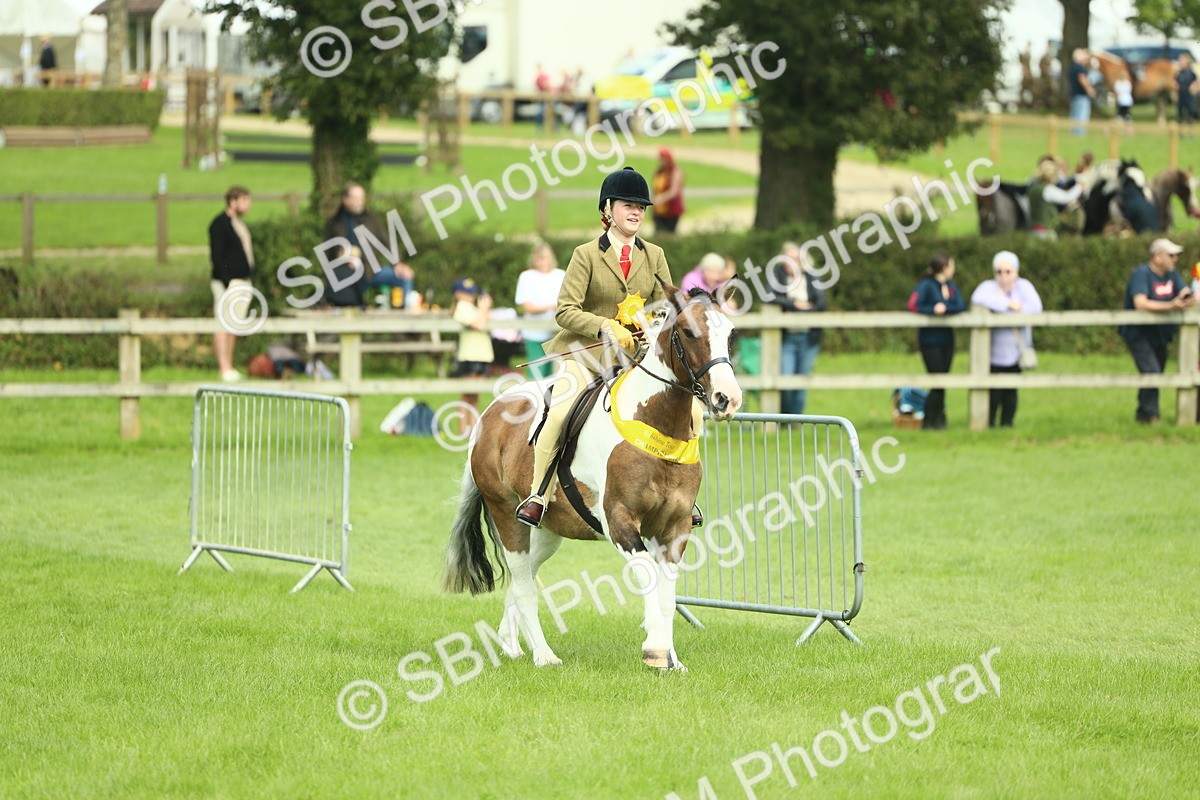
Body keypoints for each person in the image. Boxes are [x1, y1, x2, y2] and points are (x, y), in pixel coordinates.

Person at [515, 166, 675, 529]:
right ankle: (538, 494)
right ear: (608, 209)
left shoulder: (655, 255)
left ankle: (683, 495)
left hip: (637, 358)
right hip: (586, 355)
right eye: (627, 205)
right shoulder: (585, 254)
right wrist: (605, 324)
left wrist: (649, 324)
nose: (636, 212)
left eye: (641, 207)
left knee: (687, 411)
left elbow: (666, 305)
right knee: (558, 414)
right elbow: (565, 311)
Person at [1119, 239, 1196, 424]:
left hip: (1159, 334)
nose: (1175, 259)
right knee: (1151, 371)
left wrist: (1188, 298)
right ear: (1157, 257)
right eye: (1171, 255)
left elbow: (1183, 290)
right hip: (1138, 333)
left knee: (1155, 373)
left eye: (1176, 255)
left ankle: (1143, 414)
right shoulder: (1141, 274)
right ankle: (1151, 416)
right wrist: (1171, 305)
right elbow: (1141, 303)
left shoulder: (1172, 275)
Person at [970, 251, 1043, 427]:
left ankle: (1007, 424)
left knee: (1010, 390)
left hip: (1016, 350)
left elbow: (1035, 307)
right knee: (993, 391)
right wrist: (1008, 306)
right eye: (999, 272)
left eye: (1007, 271)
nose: (1003, 276)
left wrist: (1006, 310)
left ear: (1016, 272)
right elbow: (977, 298)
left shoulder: (1024, 287)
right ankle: (989, 423)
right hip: (992, 351)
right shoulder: (988, 287)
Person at [322, 183, 415, 308]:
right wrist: (343, 261)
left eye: (362, 198)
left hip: (370, 272)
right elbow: (327, 255)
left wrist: (397, 263)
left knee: (404, 277)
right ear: (345, 199)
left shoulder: (371, 219)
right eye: (356, 198)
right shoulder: (334, 223)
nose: (360, 202)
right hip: (346, 275)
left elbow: (387, 242)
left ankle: (407, 322)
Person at [767, 242, 827, 415]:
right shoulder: (778, 276)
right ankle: (785, 417)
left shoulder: (812, 277)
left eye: (795, 259)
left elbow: (821, 303)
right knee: (785, 380)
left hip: (809, 337)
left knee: (802, 382)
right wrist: (794, 304)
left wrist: (806, 310)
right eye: (788, 259)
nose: (792, 262)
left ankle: (796, 422)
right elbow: (768, 295)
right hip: (787, 337)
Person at [912, 253, 966, 429]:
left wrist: (946, 308)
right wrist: (932, 309)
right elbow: (913, 305)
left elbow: (961, 305)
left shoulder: (951, 286)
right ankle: (930, 420)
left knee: (943, 381)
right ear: (944, 267)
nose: (953, 269)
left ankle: (939, 420)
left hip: (947, 339)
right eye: (951, 265)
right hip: (930, 340)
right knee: (937, 381)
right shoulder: (926, 286)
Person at [208, 186, 255, 382]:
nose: (247, 205)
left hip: (242, 281)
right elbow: (217, 255)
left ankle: (230, 364)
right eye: (244, 201)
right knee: (223, 323)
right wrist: (226, 279)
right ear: (232, 201)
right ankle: (223, 366)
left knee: (234, 324)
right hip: (227, 282)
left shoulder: (239, 225)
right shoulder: (220, 224)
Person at [514, 241, 566, 381]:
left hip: (556, 332)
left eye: (545, 258)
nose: (542, 262)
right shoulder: (527, 276)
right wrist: (551, 306)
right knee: (536, 375)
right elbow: (528, 306)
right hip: (534, 333)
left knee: (555, 375)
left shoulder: (560, 274)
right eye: (539, 258)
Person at [452, 278, 494, 435]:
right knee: (466, 394)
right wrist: (484, 308)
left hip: (482, 354)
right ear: (457, 294)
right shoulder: (462, 307)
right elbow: (479, 325)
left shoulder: (473, 308)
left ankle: (473, 429)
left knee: (474, 395)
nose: (470, 295)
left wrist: (485, 309)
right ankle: (464, 430)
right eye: (466, 292)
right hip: (470, 354)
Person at [1028, 156, 1083, 239]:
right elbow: (1067, 197)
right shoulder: (1048, 189)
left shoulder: (1033, 188)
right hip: (1046, 232)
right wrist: (1079, 187)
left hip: (1032, 231)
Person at [651, 148, 685, 235]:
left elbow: (674, 191)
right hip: (659, 210)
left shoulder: (675, 171)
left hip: (670, 210)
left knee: (669, 233)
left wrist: (661, 198)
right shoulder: (658, 172)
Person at [1068, 48, 1096, 136]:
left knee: (1075, 115)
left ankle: (1074, 133)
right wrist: (1089, 89)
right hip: (1081, 95)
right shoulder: (1079, 68)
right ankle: (1080, 133)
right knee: (1082, 115)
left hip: (1073, 95)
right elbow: (1082, 79)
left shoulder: (1072, 67)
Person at [1177, 54, 1198, 131]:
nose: (1180, 62)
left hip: (1189, 96)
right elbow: (1174, 82)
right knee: (1180, 115)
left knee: (1190, 115)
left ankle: (1190, 131)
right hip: (1181, 95)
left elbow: (1196, 81)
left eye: (1182, 60)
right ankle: (1180, 131)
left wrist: (1194, 87)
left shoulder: (1191, 73)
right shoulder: (1179, 73)